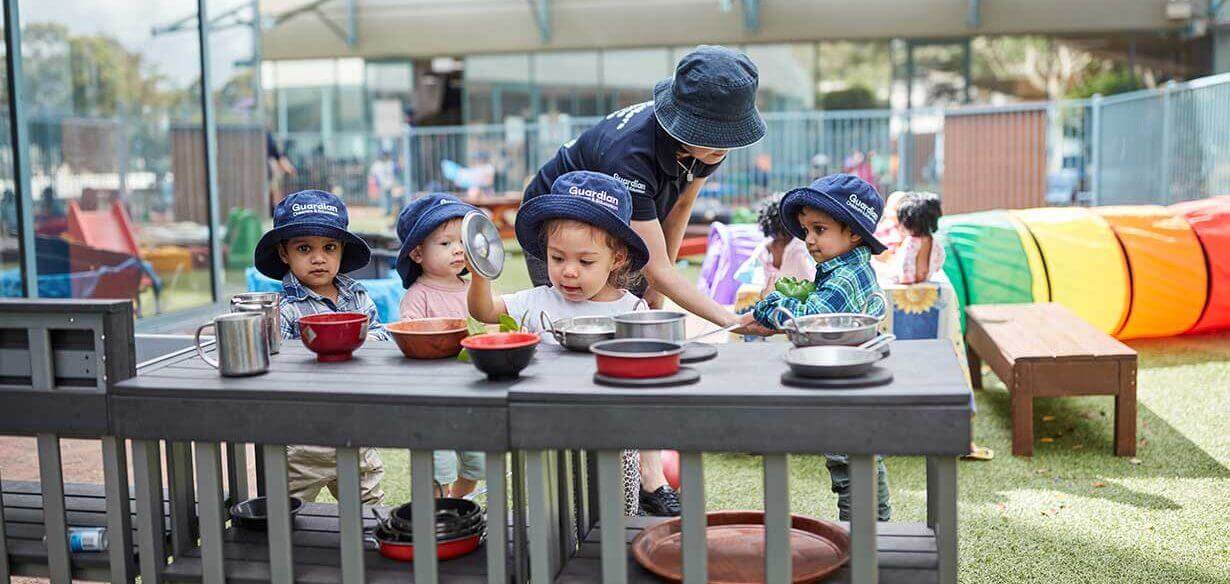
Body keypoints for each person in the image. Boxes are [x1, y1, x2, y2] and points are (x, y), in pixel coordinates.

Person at [519, 46, 772, 513]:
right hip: (564, 233)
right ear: (682, 121)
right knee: (584, 351)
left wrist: (656, 294)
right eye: (712, 137)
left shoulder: (709, 143)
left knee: (641, 352)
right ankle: (572, 469)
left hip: (617, 228)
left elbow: (677, 210)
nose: (720, 148)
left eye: (726, 138)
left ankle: (650, 479)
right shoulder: (631, 152)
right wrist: (730, 319)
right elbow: (654, 264)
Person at [468, 171, 647, 516]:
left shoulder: (632, 310)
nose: (568, 272)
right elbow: (484, 310)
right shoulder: (537, 301)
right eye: (557, 258)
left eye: (586, 261)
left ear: (618, 258)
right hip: (543, 438)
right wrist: (480, 271)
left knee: (613, 523)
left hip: (613, 440)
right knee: (542, 518)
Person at [750, 174, 892, 522]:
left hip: (847, 390)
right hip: (854, 383)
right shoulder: (843, 267)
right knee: (864, 461)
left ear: (854, 233)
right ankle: (878, 530)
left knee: (849, 467)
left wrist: (769, 305)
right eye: (806, 229)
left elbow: (807, 320)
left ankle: (863, 540)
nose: (809, 240)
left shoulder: (843, 278)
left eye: (819, 230)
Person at [253, 189, 387, 505]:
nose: (318, 258)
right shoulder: (282, 309)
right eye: (304, 248)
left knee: (370, 513)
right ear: (284, 253)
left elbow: (381, 338)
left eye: (329, 247)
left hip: (356, 431)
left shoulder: (358, 297)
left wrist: (362, 343)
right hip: (302, 440)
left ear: (341, 250)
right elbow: (275, 370)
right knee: (287, 517)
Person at [394, 192, 490, 497]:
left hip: (471, 392)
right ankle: (438, 509)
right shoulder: (418, 296)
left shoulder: (473, 289)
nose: (458, 250)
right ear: (417, 254)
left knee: (476, 461)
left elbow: (487, 327)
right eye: (445, 243)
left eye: (462, 241)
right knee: (439, 463)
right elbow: (411, 340)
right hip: (434, 396)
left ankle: (456, 502)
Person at [738, 193, 817, 295]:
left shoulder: (799, 247)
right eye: (777, 230)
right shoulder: (764, 249)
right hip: (773, 299)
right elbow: (745, 276)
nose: (780, 236)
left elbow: (811, 281)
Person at [886, 192, 945, 285]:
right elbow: (941, 256)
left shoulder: (911, 241)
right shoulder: (932, 240)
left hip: (908, 280)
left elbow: (906, 261)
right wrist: (936, 267)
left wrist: (906, 279)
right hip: (925, 277)